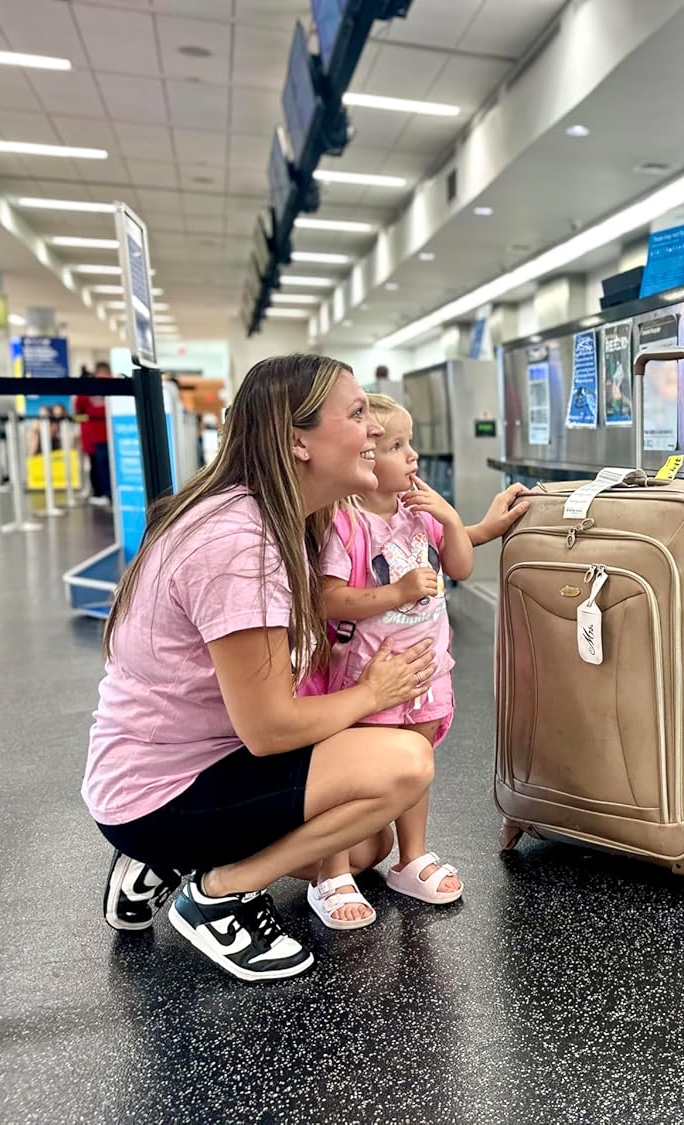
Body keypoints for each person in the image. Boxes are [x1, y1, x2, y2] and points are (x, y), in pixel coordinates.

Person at [82, 354, 529, 982]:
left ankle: (159, 860)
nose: (376, 430)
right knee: (404, 764)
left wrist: (477, 527)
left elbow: (411, 546)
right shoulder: (240, 544)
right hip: (167, 787)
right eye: (357, 414)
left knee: (365, 848)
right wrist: (372, 692)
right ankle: (216, 893)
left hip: (197, 759)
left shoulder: (275, 512)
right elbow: (270, 730)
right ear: (299, 442)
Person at [305, 393, 472, 929]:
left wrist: (451, 519)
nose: (413, 455)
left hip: (426, 672)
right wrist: (396, 593)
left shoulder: (420, 515)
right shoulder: (346, 524)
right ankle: (332, 872)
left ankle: (411, 857)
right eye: (398, 446)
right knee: (353, 774)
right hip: (367, 676)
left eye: (409, 442)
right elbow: (328, 598)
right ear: (365, 459)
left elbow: (460, 568)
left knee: (416, 763)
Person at [74, 361, 112, 505]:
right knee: (103, 466)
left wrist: (83, 385)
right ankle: (106, 494)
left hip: (98, 434)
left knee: (101, 467)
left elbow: (78, 406)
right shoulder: (114, 384)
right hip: (110, 432)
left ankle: (106, 494)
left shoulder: (91, 386)